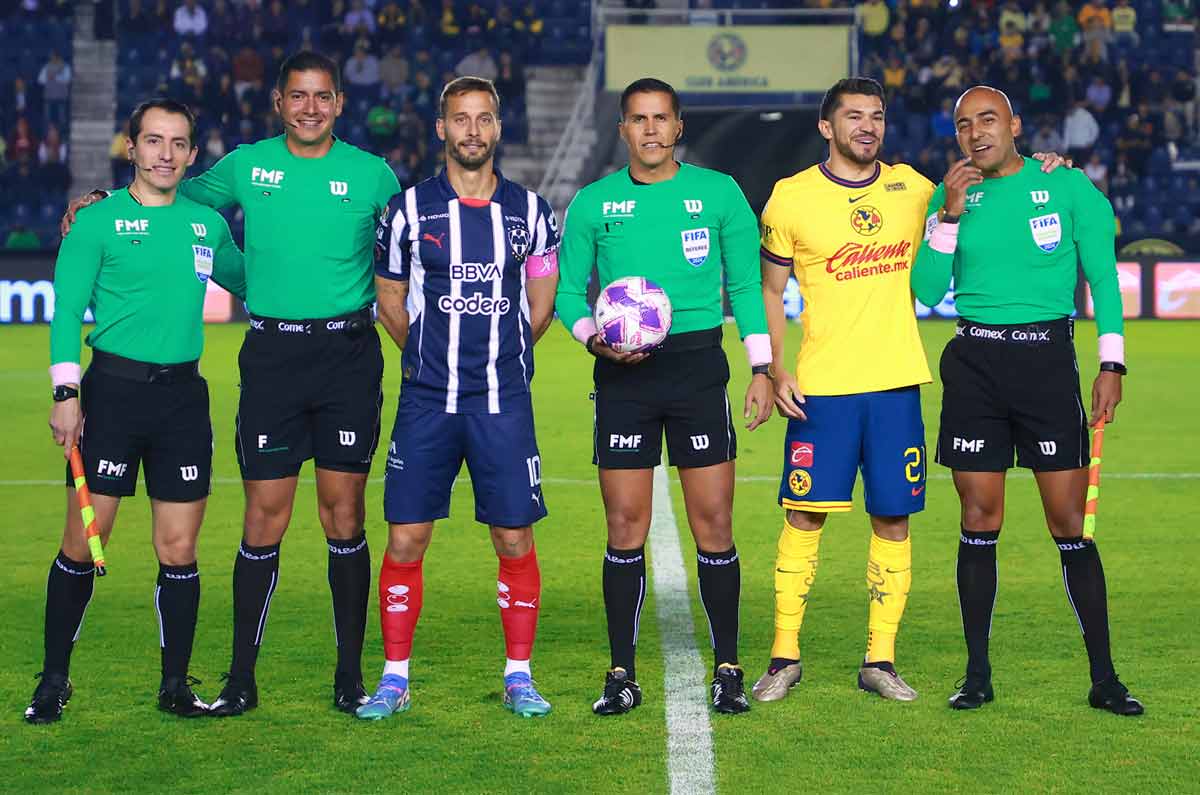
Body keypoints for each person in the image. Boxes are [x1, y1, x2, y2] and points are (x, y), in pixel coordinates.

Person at [61, 52, 402, 718]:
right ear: (279, 102)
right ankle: (241, 678)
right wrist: (103, 201)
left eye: (322, 96)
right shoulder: (248, 165)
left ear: (339, 103)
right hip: (272, 356)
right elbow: (170, 191)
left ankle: (349, 675)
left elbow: (411, 237)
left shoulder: (373, 174)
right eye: (298, 96)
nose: (310, 108)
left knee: (344, 514)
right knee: (263, 516)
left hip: (348, 356)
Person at [912, 85, 1143, 716]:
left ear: (1015, 125)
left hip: (1046, 363)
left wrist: (1112, 362)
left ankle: (1105, 679)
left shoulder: (1065, 186)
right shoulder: (949, 193)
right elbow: (927, 290)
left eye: (988, 119)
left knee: (1069, 523)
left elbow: (1104, 277)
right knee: (978, 517)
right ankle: (977, 675)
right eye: (964, 125)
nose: (976, 133)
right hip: (975, 363)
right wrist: (949, 215)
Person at [555, 78, 773, 716]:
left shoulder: (719, 193)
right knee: (625, 526)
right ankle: (621, 672)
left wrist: (762, 367)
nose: (650, 130)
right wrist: (595, 340)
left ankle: (728, 668)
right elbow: (567, 292)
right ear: (622, 129)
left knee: (715, 524)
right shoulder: (593, 203)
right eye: (638, 119)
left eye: (660, 118)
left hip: (698, 368)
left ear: (679, 127)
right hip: (623, 376)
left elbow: (745, 286)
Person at [25, 99, 245, 724]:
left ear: (193, 154)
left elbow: (255, 283)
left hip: (183, 401)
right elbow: (66, 312)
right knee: (82, 543)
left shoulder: (208, 225)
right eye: (153, 140)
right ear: (131, 147)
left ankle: (175, 686)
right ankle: (54, 680)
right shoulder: (95, 222)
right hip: (112, 398)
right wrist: (66, 395)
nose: (165, 154)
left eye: (177, 143)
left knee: (179, 548)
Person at [358, 76, 560, 720]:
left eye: (484, 118)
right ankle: (394, 678)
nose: (473, 130)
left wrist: (503, 356)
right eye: (460, 119)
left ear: (498, 127)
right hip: (427, 401)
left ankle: (519, 675)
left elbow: (542, 302)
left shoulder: (532, 213)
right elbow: (390, 301)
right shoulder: (408, 211)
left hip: (503, 402)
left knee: (514, 537)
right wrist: (427, 355)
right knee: (406, 538)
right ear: (441, 128)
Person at [752, 77, 934, 703]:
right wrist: (774, 368)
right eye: (854, 116)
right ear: (826, 127)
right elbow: (770, 290)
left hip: (895, 385)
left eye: (876, 116)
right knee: (803, 515)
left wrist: (1046, 164)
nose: (868, 126)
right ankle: (784, 656)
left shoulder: (914, 189)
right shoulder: (791, 197)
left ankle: (880, 660)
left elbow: (986, 188)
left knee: (893, 518)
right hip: (822, 389)